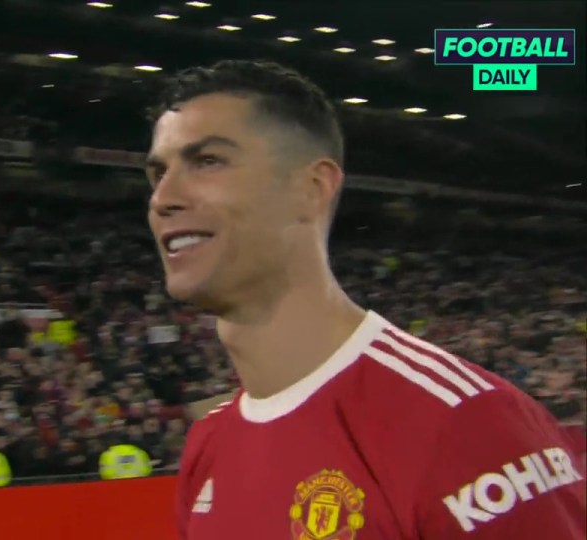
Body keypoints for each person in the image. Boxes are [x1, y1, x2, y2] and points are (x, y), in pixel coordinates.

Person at [144, 59, 586, 539]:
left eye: (207, 161)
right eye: (157, 172)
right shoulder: (208, 445)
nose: (163, 197)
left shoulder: (464, 423)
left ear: (311, 188)